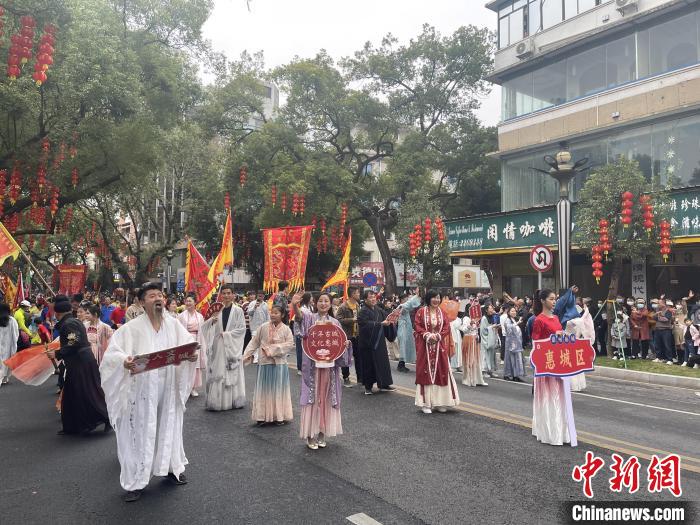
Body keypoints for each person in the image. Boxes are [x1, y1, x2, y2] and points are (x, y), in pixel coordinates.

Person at [99, 283, 198, 502]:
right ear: (142, 302)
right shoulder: (131, 328)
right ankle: (137, 480)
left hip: (169, 385)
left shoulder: (173, 325)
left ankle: (172, 468)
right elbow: (112, 355)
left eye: (160, 295)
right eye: (152, 296)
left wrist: (191, 354)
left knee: (169, 425)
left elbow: (189, 343)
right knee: (140, 432)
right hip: (143, 390)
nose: (158, 299)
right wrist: (124, 362)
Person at [292, 291, 352, 450]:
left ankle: (321, 433)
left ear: (330, 303)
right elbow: (299, 320)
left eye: (326, 301)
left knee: (325, 398)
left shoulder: (335, 323)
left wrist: (344, 346)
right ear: (315, 303)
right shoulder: (309, 318)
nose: (323, 304)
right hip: (313, 368)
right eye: (320, 301)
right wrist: (294, 305)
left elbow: (339, 345)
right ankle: (310, 435)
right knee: (313, 399)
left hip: (330, 370)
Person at [46, 296, 110, 436]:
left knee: (88, 394)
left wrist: (57, 353)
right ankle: (74, 426)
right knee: (73, 396)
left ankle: (107, 418)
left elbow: (73, 342)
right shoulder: (72, 321)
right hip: (80, 362)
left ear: (57, 313)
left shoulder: (69, 324)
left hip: (81, 363)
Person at [242, 305, 294, 425]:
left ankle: (279, 416)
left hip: (279, 364)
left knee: (278, 390)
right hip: (265, 362)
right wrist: (246, 355)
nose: (273, 315)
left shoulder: (286, 329)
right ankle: (261, 416)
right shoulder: (263, 327)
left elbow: (289, 344)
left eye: (276, 313)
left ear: (282, 315)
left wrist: (272, 350)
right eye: (272, 312)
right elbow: (254, 342)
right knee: (263, 390)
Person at [531, 289, 569, 446]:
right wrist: (553, 339)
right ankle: (548, 431)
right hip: (546, 365)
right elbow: (536, 345)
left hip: (559, 363)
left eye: (555, 299)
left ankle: (561, 431)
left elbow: (559, 337)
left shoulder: (556, 318)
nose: (554, 302)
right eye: (551, 299)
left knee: (559, 397)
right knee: (548, 397)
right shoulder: (538, 320)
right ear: (542, 300)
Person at [201, 284, 246, 411]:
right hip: (218, 346)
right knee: (218, 371)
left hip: (231, 346)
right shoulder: (217, 310)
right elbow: (205, 327)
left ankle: (234, 400)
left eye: (228, 293)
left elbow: (242, 329)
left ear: (233, 295)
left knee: (232, 371)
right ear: (221, 295)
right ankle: (218, 401)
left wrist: (227, 335)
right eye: (224, 293)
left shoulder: (238, 311)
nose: (226, 296)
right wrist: (212, 322)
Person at [413, 290, 459, 414]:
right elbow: (417, 326)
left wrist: (438, 336)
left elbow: (446, 327)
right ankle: (426, 404)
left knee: (441, 371)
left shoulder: (442, 312)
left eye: (438, 298)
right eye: (434, 298)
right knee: (425, 372)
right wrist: (427, 335)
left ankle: (440, 402)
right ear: (428, 299)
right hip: (425, 347)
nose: (436, 300)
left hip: (439, 347)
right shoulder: (421, 312)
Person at [357, 290, 397, 395]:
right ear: (365, 300)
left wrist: (391, 321)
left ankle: (384, 384)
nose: (373, 299)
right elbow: (364, 324)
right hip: (368, 343)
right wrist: (380, 324)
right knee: (368, 364)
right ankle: (368, 387)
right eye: (370, 297)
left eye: (374, 297)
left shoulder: (379, 310)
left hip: (379, 341)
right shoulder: (363, 311)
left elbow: (387, 319)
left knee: (382, 363)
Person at [177, 296, 206, 398]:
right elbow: (178, 331)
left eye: (190, 301)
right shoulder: (181, 316)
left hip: (196, 339)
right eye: (186, 301)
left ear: (195, 303)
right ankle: (185, 387)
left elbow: (203, 330)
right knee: (185, 364)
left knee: (195, 364)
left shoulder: (200, 316)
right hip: (185, 341)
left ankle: (193, 387)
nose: (188, 303)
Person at [336, 286, 362, 386]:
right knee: (346, 358)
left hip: (357, 335)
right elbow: (338, 319)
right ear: (352, 294)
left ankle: (360, 377)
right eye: (357, 293)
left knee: (359, 357)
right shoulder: (343, 306)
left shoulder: (357, 305)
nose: (359, 294)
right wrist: (352, 320)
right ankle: (346, 377)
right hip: (347, 335)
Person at [397, 290, 421, 370]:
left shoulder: (404, 306)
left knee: (406, 346)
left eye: (406, 299)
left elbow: (410, 304)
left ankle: (402, 364)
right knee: (403, 346)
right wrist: (416, 296)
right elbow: (409, 304)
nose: (406, 301)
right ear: (401, 300)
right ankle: (401, 365)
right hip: (402, 328)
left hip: (406, 328)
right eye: (404, 300)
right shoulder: (400, 307)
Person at [292, 292, 313, 376]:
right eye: (311, 297)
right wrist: (294, 306)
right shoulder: (301, 309)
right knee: (300, 351)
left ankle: (307, 366)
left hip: (309, 334)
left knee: (307, 352)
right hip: (301, 334)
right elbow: (298, 316)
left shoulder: (311, 308)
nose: (312, 299)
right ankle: (300, 368)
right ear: (307, 298)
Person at [503, 306, 525, 382]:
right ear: (508, 312)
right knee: (510, 359)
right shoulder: (507, 320)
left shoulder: (514, 320)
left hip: (517, 343)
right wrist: (517, 323)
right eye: (512, 311)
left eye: (515, 311)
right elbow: (509, 329)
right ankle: (507, 374)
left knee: (517, 359)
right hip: (510, 343)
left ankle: (516, 375)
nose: (514, 312)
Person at [0, 303, 19, 386]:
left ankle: (3, 378)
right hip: (8, 345)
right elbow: (15, 334)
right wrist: (14, 345)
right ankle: (4, 378)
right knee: (6, 362)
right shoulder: (11, 320)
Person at [651, 299, 674, 364]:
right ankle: (659, 357)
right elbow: (653, 318)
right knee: (657, 345)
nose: (658, 304)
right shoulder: (657, 310)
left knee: (667, 345)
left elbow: (666, 319)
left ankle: (670, 359)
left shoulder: (668, 311)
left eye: (659, 303)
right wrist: (656, 314)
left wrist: (659, 316)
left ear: (663, 304)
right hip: (658, 329)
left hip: (666, 330)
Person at [479, 304, 499, 378]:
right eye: (490, 308)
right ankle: (484, 371)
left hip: (491, 338)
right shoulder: (484, 318)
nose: (491, 310)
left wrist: (495, 327)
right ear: (486, 310)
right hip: (486, 339)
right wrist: (492, 327)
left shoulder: (492, 317)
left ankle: (490, 370)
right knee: (485, 355)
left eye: (492, 308)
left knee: (491, 355)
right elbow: (483, 330)